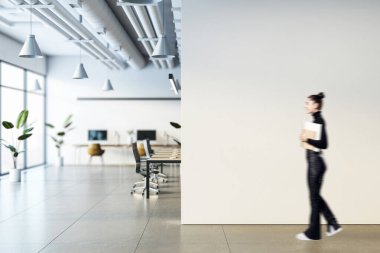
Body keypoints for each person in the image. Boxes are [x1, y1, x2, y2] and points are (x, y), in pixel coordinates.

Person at [296, 92, 342, 240]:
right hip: (315, 162)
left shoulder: (319, 120)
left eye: (308, 103)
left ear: (316, 105)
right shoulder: (316, 120)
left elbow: (324, 144)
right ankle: (319, 230)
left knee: (314, 197)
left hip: (316, 163)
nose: (305, 105)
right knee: (314, 197)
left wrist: (307, 138)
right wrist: (305, 139)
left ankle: (328, 225)